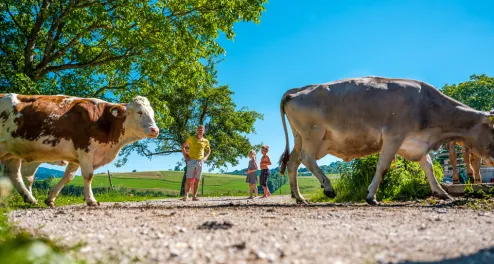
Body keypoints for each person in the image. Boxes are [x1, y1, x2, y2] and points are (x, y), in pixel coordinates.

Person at [181, 125, 211, 201]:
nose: (200, 130)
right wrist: (186, 157)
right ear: (197, 130)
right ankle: (186, 195)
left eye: (202, 129)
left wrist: (205, 158)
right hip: (191, 160)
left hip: (200, 161)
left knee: (197, 180)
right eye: (199, 129)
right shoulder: (191, 138)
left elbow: (209, 150)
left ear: (204, 131)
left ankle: (194, 196)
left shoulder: (206, 141)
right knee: (188, 179)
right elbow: (183, 146)